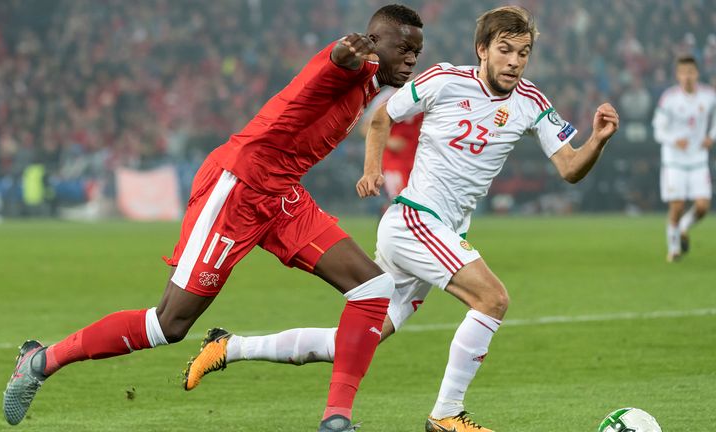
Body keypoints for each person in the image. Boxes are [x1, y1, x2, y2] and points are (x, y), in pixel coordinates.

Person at [183, 6, 619, 432]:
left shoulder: (533, 102)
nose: (515, 61)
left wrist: (596, 141)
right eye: (505, 50)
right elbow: (381, 116)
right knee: (493, 299)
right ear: (482, 49)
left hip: (443, 231)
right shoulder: (446, 79)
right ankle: (447, 414)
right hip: (415, 221)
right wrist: (372, 169)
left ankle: (228, 346)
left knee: (355, 341)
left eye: (523, 53)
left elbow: (569, 169)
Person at [2, 5, 424, 431]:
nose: (411, 59)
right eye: (404, 49)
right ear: (374, 42)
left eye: (416, 53)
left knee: (373, 287)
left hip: (281, 194)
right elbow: (332, 62)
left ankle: (336, 419)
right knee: (169, 324)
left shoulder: (376, 82)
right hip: (236, 189)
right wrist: (343, 53)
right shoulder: (352, 66)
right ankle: (41, 360)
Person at [651, 56, 715, 262]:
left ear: (696, 73)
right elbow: (658, 129)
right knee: (677, 206)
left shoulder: (709, 96)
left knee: (703, 207)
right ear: (678, 75)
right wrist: (673, 140)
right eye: (683, 72)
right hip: (674, 161)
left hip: (698, 159)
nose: (687, 76)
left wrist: (711, 137)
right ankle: (674, 247)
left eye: (691, 72)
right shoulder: (669, 98)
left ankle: (684, 227)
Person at [359, 88, 423, 206]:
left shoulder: (422, 95)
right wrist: (388, 141)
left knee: (419, 203)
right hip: (393, 163)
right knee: (401, 202)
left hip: (417, 162)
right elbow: (365, 128)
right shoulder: (385, 98)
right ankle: (387, 218)